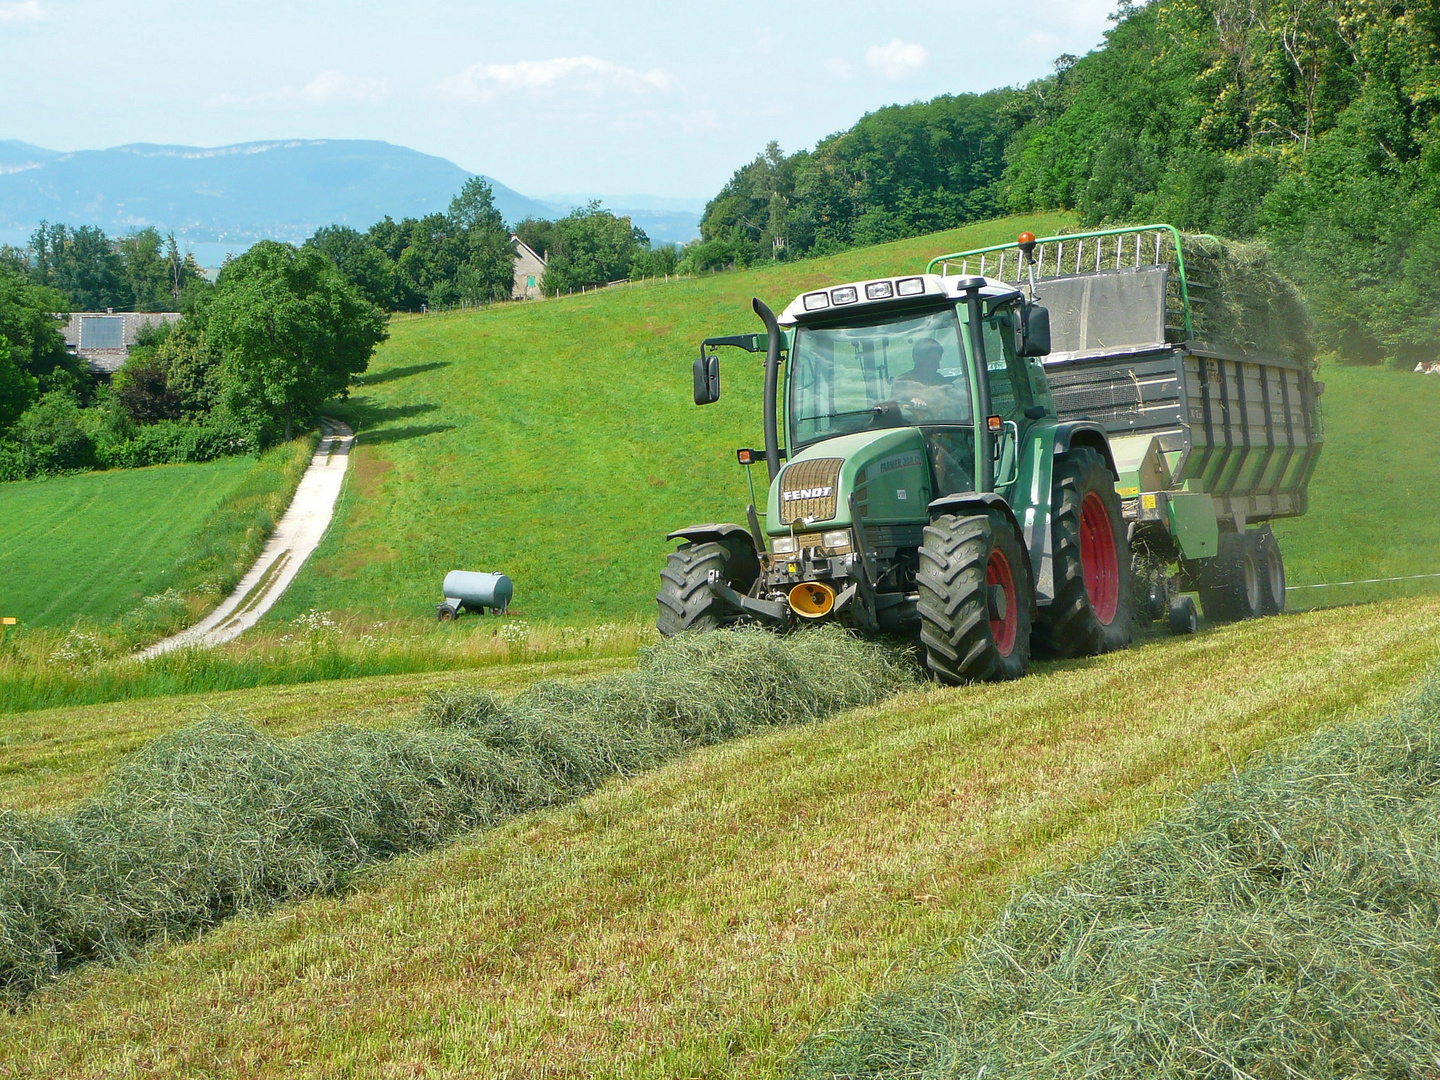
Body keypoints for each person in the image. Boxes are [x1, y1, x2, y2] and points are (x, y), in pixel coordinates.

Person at [890, 338, 968, 423]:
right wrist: (908, 404)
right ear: (917, 358)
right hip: (912, 429)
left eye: (938, 361)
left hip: (943, 428)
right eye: (933, 362)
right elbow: (891, 411)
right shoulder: (902, 382)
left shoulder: (943, 382)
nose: (938, 367)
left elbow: (958, 406)